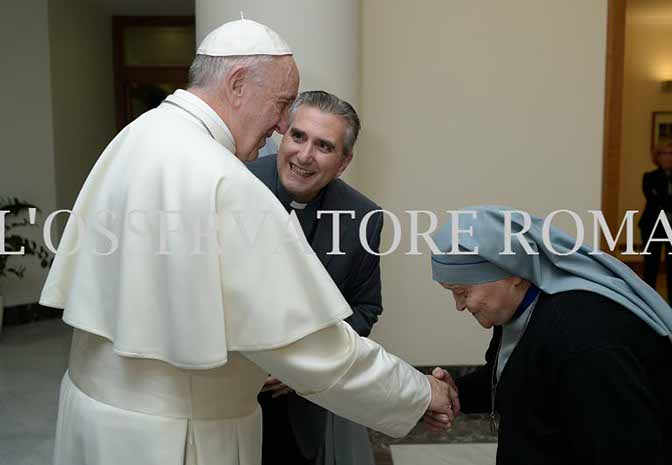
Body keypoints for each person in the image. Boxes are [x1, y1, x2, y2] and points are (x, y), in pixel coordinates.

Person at [40, 19, 457, 465]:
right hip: (175, 435)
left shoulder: (139, 134)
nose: (280, 125)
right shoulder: (222, 178)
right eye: (282, 105)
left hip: (94, 416)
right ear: (238, 84)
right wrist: (420, 391)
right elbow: (310, 346)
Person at [426, 206, 672, 465]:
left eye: (463, 292)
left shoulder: (585, 339)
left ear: (513, 272)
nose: (459, 306)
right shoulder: (524, 308)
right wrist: (452, 391)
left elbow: (628, 451)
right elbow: (517, 379)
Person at [248, 91, 381, 465]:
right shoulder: (233, 184)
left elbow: (365, 308)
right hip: (225, 395)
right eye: (298, 136)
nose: (305, 155)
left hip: (302, 403)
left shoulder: (363, 217)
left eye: (324, 146)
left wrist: (306, 364)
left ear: (343, 162)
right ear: (283, 134)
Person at [639, 141, 672, 309]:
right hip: (652, 226)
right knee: (651, 265)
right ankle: (648, 303)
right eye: (663, 153)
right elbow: (654, 200)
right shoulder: (649, 177)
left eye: (671, 153)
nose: (668, 157)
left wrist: (669, 200)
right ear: (657, 157)